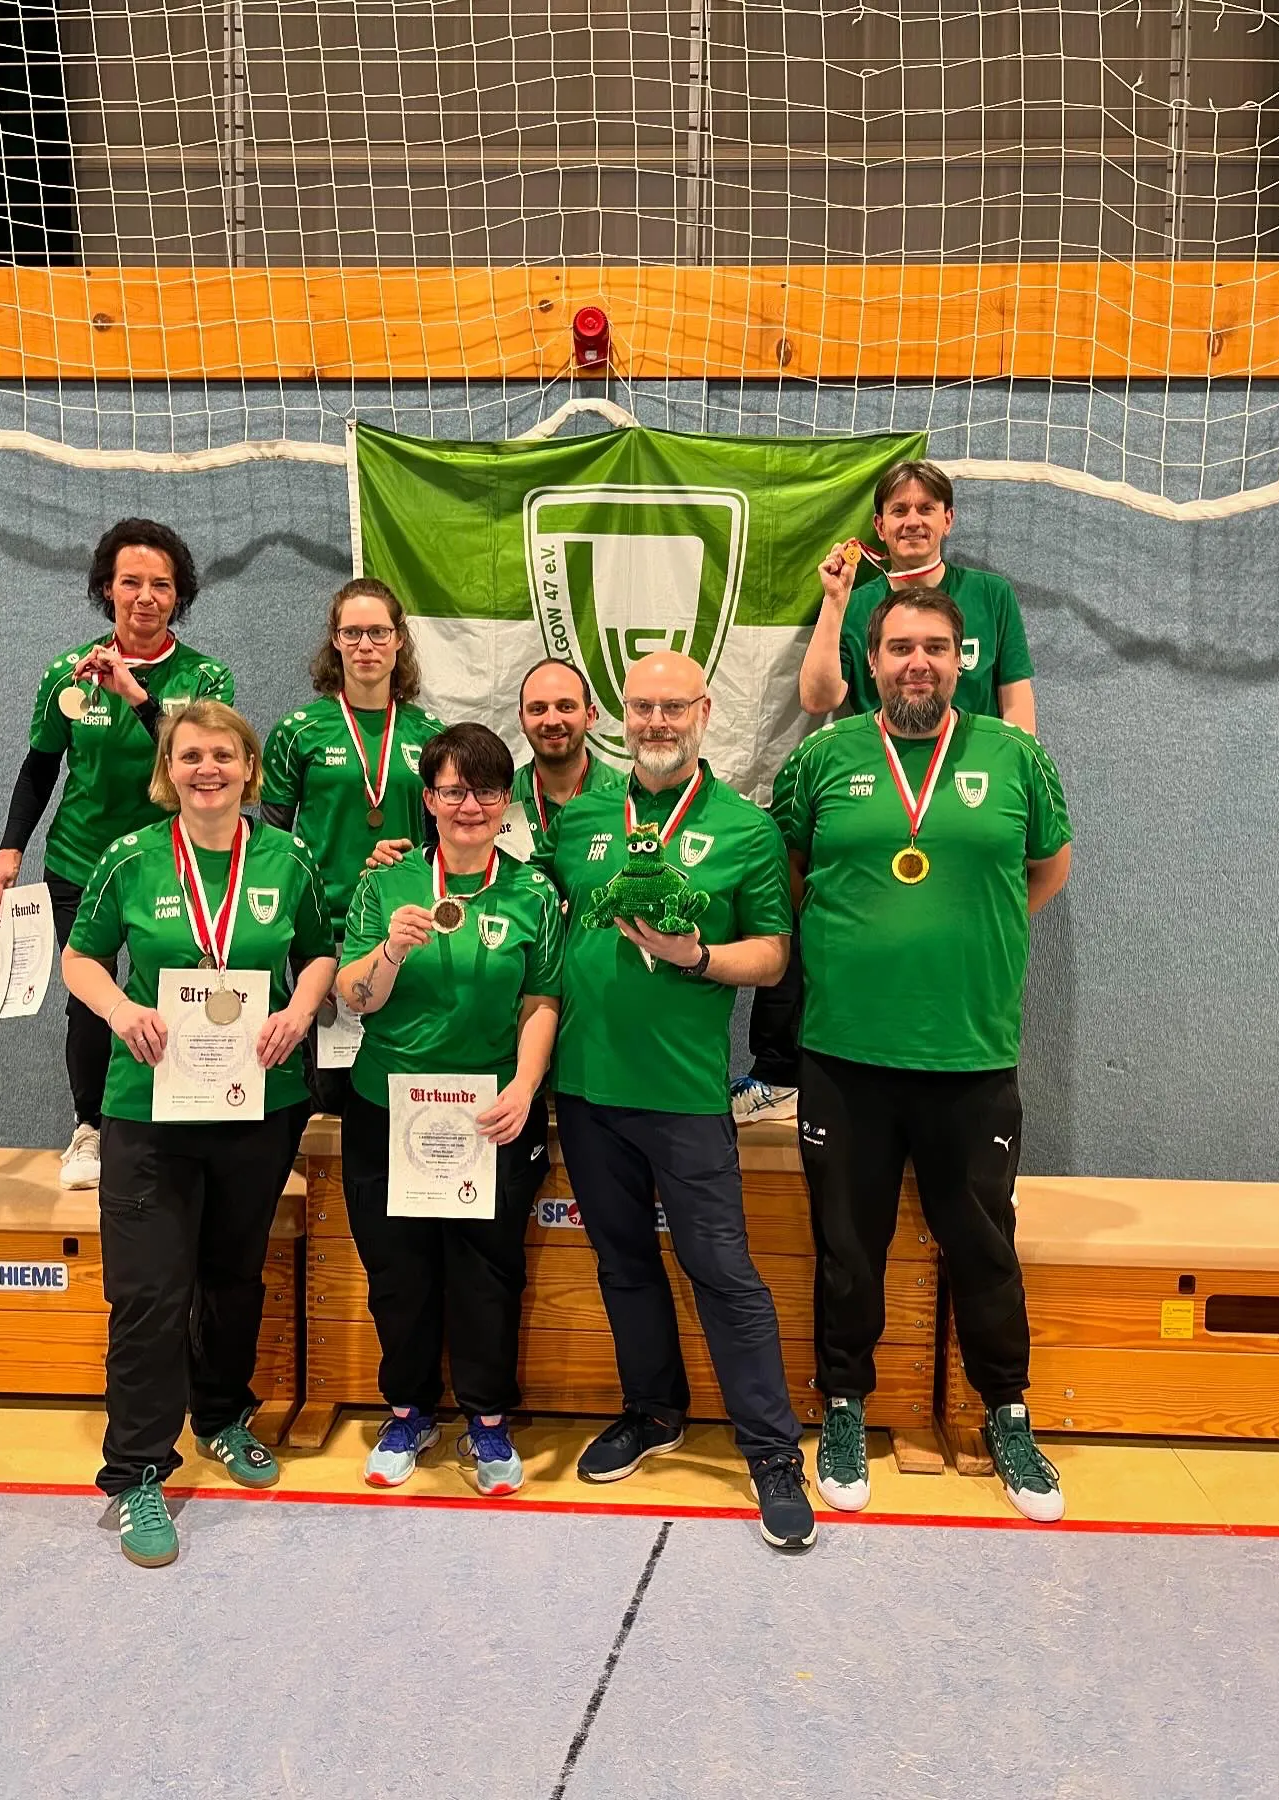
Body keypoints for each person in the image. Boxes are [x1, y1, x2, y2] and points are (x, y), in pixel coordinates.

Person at [774, 588, 1072, 1522]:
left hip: (969, 1051)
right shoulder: (822, 756)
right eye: (900, 646)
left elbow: (1048, 866)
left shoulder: (1016, 755)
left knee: (983, 1245)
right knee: (847, 1247)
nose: (918, 662)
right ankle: (845, 1405)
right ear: (871, 661)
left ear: (959, 659)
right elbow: (791, 872)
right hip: (846, 1053)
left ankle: (1007, 1412)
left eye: (936, 647)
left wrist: (976, 935)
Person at [543, 651, 817, 1552]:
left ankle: (772, 1451)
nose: (656, 722)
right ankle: (654, 1411)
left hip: (685, 1096)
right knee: (623, 1265)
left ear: (704, 711)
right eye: (642, 707)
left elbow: (772, 957)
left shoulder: (745, 828)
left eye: (672, 706)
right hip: (586, 1091)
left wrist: (695, 956)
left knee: (722, 1271)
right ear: (621, 716)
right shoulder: (582, 817)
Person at [62, 700, 336, 1568]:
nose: (207, 768)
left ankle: (221, 1416)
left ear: (250, 769)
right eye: (190, 756)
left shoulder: (288, 856)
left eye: (224, 754)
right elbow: (80, 956)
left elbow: (319, 951)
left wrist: (299, 1010)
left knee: (231, 1275)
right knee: (148, 1292)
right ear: (168, 770)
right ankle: (139, 1470)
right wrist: (121, 1009)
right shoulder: (130, 858)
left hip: (258, 1100)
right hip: (149, 1108)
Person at [733, 458, 1038, 1127]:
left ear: (948, 519)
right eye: (898, 510)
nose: (912, 521)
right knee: (811, 904)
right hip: (873, 798)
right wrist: (835, 601)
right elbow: (819, 697)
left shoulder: (990, 595)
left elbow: (1018, 709)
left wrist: (1011, 788)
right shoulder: (860, 600)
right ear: (879, 525)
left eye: (926, 508)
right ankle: (781, 1072)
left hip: (963, 798)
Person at [335, 723, 563, 1498]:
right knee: (398, 1273)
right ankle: (408, 1413)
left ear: (505, 801)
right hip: (388, 1108)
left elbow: (541, 1000)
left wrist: (524, 1086)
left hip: (491, 1115)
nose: (470, 806)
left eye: (486, 791)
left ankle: (488, 1420)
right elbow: (355, 997)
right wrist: (390, 952)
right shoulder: (385, 885)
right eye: (453, 790)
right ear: (428, 799)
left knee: (487, 1274)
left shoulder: (532, 892)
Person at [0, 520, 234, 1191]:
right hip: (80, 860)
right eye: (131, 582)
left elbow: (198, 761)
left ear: (179, 596)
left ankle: (178, 1113)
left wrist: (137, 695)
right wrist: (8, 853)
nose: (146, 596)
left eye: (162, 585)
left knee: (175, 986)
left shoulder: (207, 676)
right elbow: (39, 767)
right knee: (91, 999)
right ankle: (89, 1127)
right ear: (107, 589)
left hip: (171, 862)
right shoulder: (67, 673)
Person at [261, 578, 443, 1113]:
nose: (366, 645)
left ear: (399, 639)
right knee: (331, 1093)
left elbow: (445, 841)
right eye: (353, 633)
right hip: (323, 932)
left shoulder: (430, 733)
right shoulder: (298, 731)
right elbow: (272, 844)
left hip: (403, 927)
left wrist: (409, 866)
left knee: (399, 1076)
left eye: (379, 632)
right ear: (335, 640)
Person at [507, 658, 623, 859]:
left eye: (566, 707)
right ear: (522, 720)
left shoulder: (625, 797)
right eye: (538, 709)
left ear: (590, 716)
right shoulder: (500, 800)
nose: (552, 721)